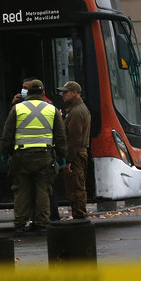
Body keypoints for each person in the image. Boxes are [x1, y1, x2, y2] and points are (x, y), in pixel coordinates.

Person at [1, 79, 67, 236]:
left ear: (28, 92)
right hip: (45, 156)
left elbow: (7, 134)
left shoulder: (17, 109)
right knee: (43, 190)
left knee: (21, 191)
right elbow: (60, 136)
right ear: (43, 92)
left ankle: (20, 225)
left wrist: (6, 152)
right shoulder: (51, 109)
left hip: (21, 157)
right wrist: (62, 155)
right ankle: (42, 224)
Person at [57, 81, 91, 219]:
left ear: (74, 93)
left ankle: (80, 216)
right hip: (78, 152)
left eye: (66, 92)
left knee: (76, 186)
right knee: (76, 184)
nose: (63, 95)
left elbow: (74, 138)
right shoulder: (77, 109)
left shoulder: (76, 112)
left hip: (76, 154)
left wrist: (69, 159)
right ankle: (79, 214)